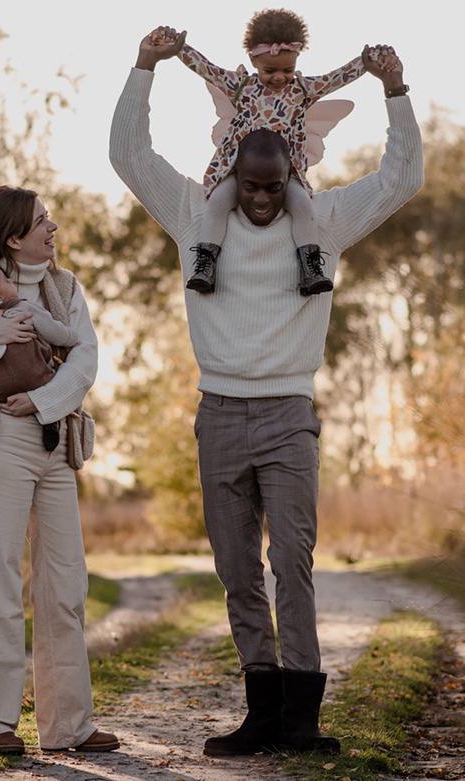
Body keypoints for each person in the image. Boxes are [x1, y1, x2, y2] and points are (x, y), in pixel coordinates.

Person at [110, 30, 423, 756]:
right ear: (229, 171)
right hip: (217, 410)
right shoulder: (194, 215)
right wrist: (144, 68)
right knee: (236, 568)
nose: (258, 199)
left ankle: (303, 713)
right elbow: (129, 157)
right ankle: (261, 706)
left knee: (294, 558)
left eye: (273, 187)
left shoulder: (327, 224)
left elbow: (401, 179)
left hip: (288, 413)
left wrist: (396, 90)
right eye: (247, 186)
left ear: (294, 173)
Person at [0, 185, 119, 755]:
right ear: (14, 236)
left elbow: (85, 358)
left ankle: (68, 725)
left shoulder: (66, 289)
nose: (53, 227)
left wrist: (43, 402)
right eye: (42, 221)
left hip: (55, 438)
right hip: (0, 442)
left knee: (65, 581)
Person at [149, 10, 370, 296]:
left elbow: (336, 79)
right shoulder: (242, 87)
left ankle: (310, 268)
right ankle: (205, 264)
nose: (280, 77)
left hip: (283, 173)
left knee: (303, 205)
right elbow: (207, 69)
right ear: (254, 61)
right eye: (270, 71)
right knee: (217, 203)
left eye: (287, 70)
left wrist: (364, 63)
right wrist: (180, 49)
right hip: (239, 171)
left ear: (296, 62)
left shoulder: (301, 90)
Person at [0, 265, 79, 456]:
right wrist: (71, 337)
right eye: (6, 280)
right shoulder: (22, 307)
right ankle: (50, 423)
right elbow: (53, 331)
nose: (11, 281)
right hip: (35, 377)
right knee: (52, 378)